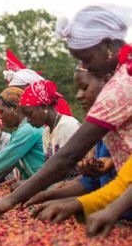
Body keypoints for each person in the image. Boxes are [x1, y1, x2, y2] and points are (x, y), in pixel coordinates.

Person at [0, 4, 132, 218]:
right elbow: (101, 179)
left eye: (87, 59)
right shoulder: (124, 75)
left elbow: (67, 157)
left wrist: (11, 200)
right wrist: (59, 197)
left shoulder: (119, 88)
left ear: (107, 45)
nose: (87, 67)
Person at [25, 66, 115, 206]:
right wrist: (50, 194)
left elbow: (65, 163)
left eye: (84, 88)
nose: (78, 95)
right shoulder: (102, 127)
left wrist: (75, 203)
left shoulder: (69, 126)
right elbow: (92, 181)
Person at [34, 154, 132, 236]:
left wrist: (113, 210)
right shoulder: (104, 140)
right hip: (114, 215)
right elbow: (92, 181)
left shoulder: (107, 133)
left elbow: (65, 157)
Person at [18, 80, 80, 161]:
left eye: (29, 114)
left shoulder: (68, 126)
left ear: (44, 106)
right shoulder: (46, 132)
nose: (28, 120)